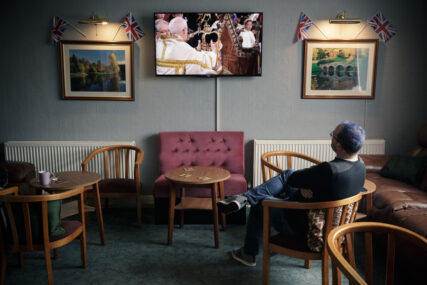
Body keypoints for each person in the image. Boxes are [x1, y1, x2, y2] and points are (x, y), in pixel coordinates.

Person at [217, 121, 366, 267]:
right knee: (288, 175)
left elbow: (293, 179)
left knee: (263, 201)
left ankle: (248, 252)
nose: (331, 137)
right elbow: (322, 186)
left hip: (304, 226)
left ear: (339, 145)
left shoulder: (328, 170)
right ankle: (245, 197)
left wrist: (306, 185)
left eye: (333, 135)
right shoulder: (361, 166)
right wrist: (307, 188)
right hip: (331, 227)